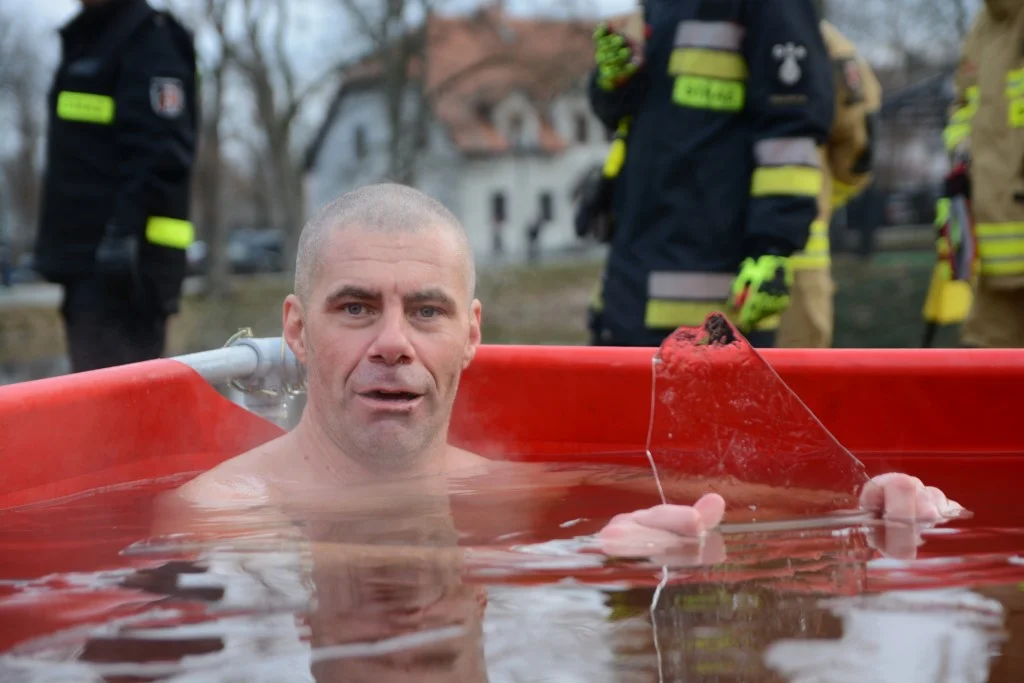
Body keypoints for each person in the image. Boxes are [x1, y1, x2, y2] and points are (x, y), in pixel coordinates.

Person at [165, 183, 962, 551]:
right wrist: (578, 556)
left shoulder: (507, 485)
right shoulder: (223, 510)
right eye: (356, 307)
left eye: (428, 310)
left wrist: (863, 504)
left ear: (472, 333)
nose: (395, 342)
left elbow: (720, 502)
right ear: (297, 331)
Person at [584, 0, 835, 348]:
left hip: (714, 314)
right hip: (627, 291)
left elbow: (790, 131)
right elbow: (638, 120)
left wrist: (773, 243)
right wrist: (612, 84)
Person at [33, 0, 198, 372]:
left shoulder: (149, 38)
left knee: (120, 416)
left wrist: (122, 234)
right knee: (98, 412)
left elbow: (162, 153)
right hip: (85, 269)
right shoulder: (88, 37)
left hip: (126, 275)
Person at [776, 20, 881, 349]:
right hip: (798, 255)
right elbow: (856, 152)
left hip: (695, 253)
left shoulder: (688, 22)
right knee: (794, 385)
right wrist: (820, 204)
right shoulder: (822, 40)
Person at [942, 0, 1024, 348]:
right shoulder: (984, 25)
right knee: (988, 377)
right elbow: (963, 106)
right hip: (992, 253)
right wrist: (962, 156)